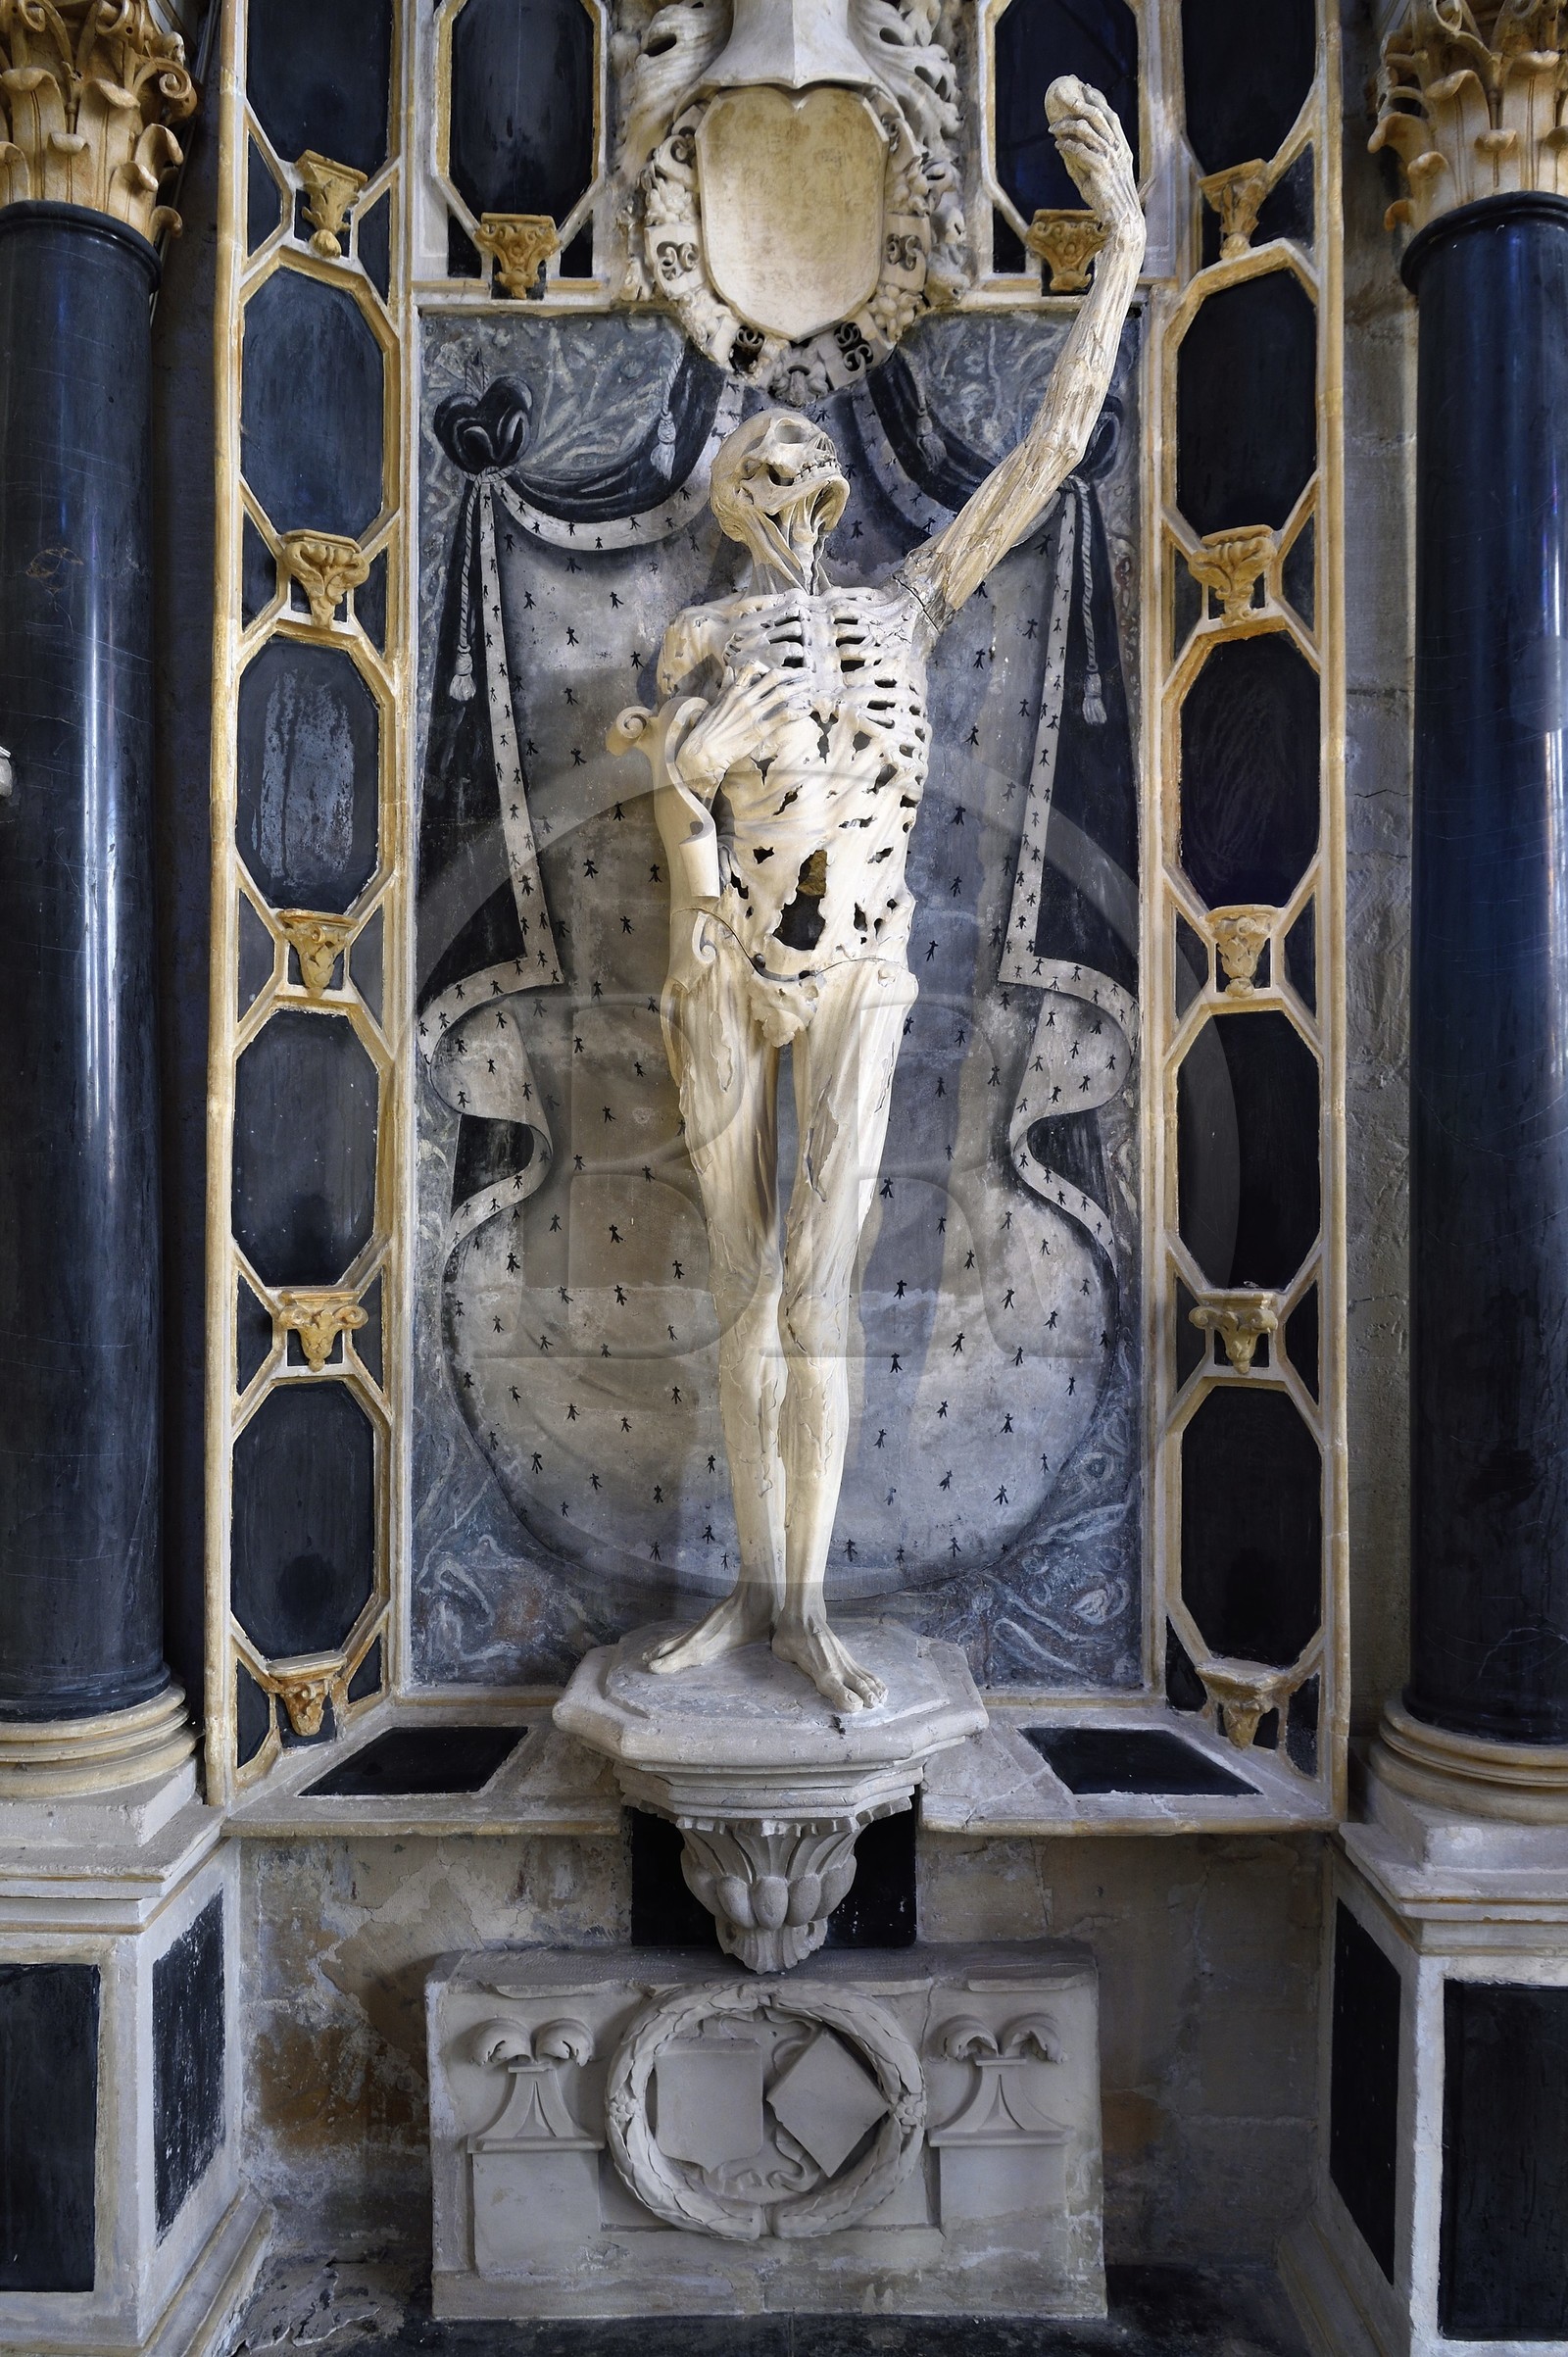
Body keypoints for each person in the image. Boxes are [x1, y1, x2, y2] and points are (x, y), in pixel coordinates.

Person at [613, 78, 1145, 1711]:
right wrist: (679, 763)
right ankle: (751, 1599)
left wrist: (1120, 250)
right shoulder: (702, 640)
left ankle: (808, 1611)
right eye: (760, 461)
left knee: (814, 1284)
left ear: (835, 495)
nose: (789, 480)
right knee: (732, 1275)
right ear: (729, 499)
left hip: (856, 967)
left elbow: (1049, 457)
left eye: (805, 462)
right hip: (719, 966)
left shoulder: (911, 603)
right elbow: (666, 805)